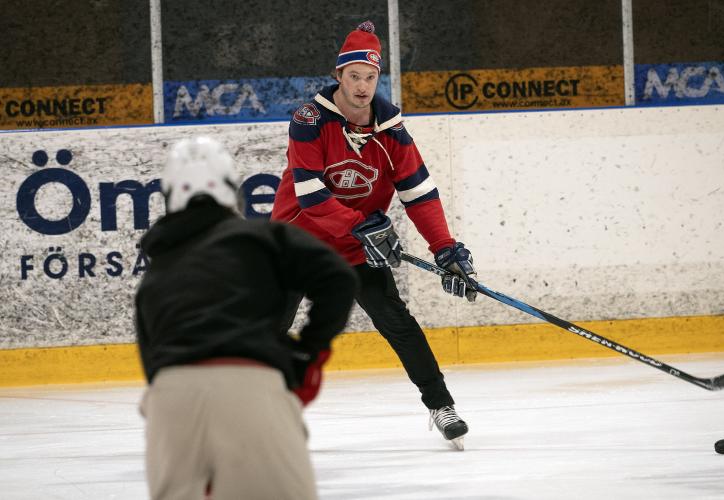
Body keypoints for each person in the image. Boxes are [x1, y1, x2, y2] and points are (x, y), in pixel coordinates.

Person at [271, 21, 478, 450]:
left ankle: (442, 406)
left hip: (355, 245)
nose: (363, 86)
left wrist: (444, 249)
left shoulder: (392, 132)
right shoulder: (308, 122)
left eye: (370, 78)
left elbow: (419, 193)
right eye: (354, 77)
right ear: (338, 75)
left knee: (398, 323)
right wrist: (360, 225)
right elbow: (311, 196)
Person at [135, 136, 357, 499]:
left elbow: (152, 362)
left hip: (168, 400)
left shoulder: (157, 272)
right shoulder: (262, 237)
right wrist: (311, 350)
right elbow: (338, 277)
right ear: (230, 188)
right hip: (252, 387)